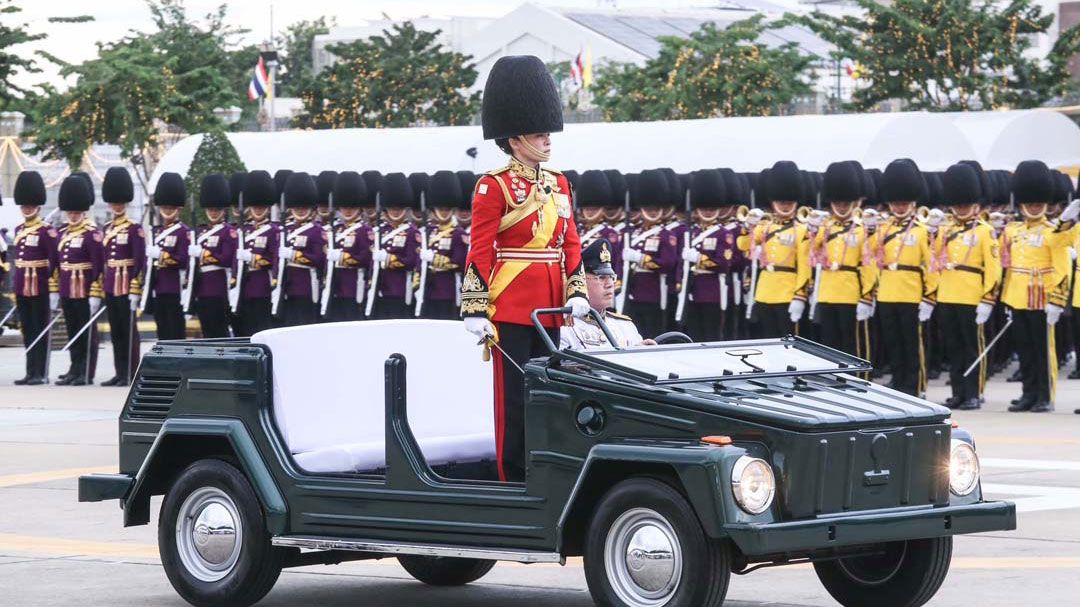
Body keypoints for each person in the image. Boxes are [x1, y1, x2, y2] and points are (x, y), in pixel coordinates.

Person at [460, 55, 589, 482]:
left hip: (550, 304)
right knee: (513, 399)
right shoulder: (492, 185)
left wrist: (577, 291)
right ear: (515, 139)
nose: (547, 140)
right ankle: (512, 476)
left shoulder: (560, 182)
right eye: (538, 133)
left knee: (547, 394)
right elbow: (480, 249)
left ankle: (545, 469)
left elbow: (570, 241)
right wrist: (475, 307)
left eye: (547, 132)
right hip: (510, 305)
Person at [1003, 161, 1078, 412]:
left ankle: (1045, 396)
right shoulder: (1014, 231)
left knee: (1043, 352)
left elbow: (1063, 268)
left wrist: (1057, 300)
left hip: (1042, 299)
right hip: (1018, 298)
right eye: (1030, 202)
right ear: (1022, 203)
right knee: (1024, 350)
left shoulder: (1052, 232)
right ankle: (1028, 392)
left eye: (1039, 203)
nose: (1034, 206)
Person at [933, 163, 1002, 410]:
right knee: (953, 348)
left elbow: (994, 268)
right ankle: (958, 391)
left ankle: (974, 392)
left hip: (972, 297)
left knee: (972, 349)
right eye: (958, 204)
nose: (962, 209)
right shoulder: (945, 230)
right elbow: (934, 260)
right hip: (947, 294)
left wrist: (987, 298)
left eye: (966, 205)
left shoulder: (985, 232)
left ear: (976, 205)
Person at [870, 160, 937, 397]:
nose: (899, 207)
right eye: (895, 203)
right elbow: (872, 260)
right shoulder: (882, 230)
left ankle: (915, 384)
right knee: (894, 342)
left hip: (911, 293)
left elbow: (932, 266)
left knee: (913, 344)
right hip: (887, 291)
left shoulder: (922, 231)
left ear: (913, 203)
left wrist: (929, 296)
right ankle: (899, 381)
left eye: (903, 203)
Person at [809, 161, 877, 358]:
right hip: (828, 291)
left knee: (852, 342)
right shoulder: (824, 228)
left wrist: (866, 296)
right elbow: (811, 254)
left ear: (854, 203)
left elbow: (869, 265)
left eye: (845, 203)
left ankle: (858, 379)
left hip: (851, 292)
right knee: (830, 343)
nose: (841, 207)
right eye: (837, 203)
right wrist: (812, 232)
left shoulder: (863, 228)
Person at [740, 161, 811, 338]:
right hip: (764, 290)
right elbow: (743, 246)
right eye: (781, 201)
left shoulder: (802, 230)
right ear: (772, 202)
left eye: (789, 202)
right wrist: (747, 227)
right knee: (769, 339)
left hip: (788, 292)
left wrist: (800, 295)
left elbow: (804, 265)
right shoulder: (764, 228)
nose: (785, 206)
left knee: (789, 341)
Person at [53, 175, 103, 386]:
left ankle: (86, 371)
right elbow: (57, 263)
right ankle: (74, 368)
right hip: (67, 288)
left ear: (83, 212)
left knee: (86, 333)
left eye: (76, 212)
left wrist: (94, 293)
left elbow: (98, 266)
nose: (73, 216)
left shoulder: (91, 234)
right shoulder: (62, 232)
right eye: (70, 212)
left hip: (84, 289)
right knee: (73, 331)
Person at [561, 238, 655, 349]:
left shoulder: (625, 326)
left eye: (611, 277)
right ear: (580, 282)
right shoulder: (563, 329)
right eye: (601, 278)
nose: (610, 284)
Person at [99, 167, 144, 386]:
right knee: (115, 330)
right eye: (113, 203)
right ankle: (119, 371)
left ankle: (131, 372)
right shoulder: (106, 228)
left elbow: (139, 260)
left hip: (127, 284)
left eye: (119, 203)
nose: (116, 206)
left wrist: (135, 288)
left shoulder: (134, 229)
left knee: (129, 331)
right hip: (111, 283)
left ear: (125, 204)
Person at [11, 171, 57, 385]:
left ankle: (41, 372)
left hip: (39, 287)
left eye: (30, 206)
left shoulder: (46, 232)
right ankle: (30, 371)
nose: (27, 209)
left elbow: (54, 261)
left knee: (40, 330)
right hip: (23, 288)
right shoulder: (19, 230)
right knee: (27, 330)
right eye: (24, 207)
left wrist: (53, 287)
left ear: (37, 207)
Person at [679, 169, 733, 342]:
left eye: (711, 208)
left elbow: (724, 263)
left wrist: (698, 259)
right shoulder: (691, 233)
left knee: (711, 334)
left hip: (712, 291)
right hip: (692, 289)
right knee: (694, 333)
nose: (708, 212)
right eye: (704, 208)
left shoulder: (723, 234)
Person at [623, 169, 678, 339]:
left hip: (653, 292)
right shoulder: (632, 233)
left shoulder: (666, 235)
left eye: (656, 208)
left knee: (653, 334)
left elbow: (668, 263)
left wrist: (640, 259)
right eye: (648, 208)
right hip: (633, 290)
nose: (652, 212)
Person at [144, 173, 190, 341]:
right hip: (159, 287)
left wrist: (162, 256)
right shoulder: (156, 232)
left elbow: (183, 260)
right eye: (164, 208)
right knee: (162, 330)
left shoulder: (183, 232)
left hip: (174, 287)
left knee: (175, 331)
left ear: (178, 209)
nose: (167, 211)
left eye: (171, 208)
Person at [191, 174, 237, 338]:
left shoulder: (228, 232)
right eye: (210, 209)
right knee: (207, 331)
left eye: (217, 209)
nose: (213, 213)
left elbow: (226, 258)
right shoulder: (199, 232)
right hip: (201, 288)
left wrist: (202, 253)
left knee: (220, 331)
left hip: (218, 288)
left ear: (224, 210)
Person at [278, 172, 326, 327]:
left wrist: (293, 255)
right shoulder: (286, 230)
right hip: (287, 285)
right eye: (297, 207)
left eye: (304, 207)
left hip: (306, 286)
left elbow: (318, 259)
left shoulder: (317, 231)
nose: (300, 210)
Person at [236, 170, 281, 337]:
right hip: (245, 287)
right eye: (255, 206)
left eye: (261, 207)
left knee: (262, 328)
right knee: (247, 330)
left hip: (263, 287)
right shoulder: (244, 230)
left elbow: (273, 259)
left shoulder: (274, 231)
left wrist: (252, 259)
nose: (258, 210)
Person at [325, 171, 374, 322]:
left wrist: (339, 257)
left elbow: (365, 258)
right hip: (334, 287)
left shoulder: (364, 231)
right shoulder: (335, 230)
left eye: (352, 207)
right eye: (344, 207)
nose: (347, 210)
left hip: (353, 287)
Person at [419, 171, 468, 320]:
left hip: (447, 290)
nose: (444, 212)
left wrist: (433, 259)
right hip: (428, 289)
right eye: (441, 209)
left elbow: (459, 262)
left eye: (447, 209)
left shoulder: (458, 234)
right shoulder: (428, 232)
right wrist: (416, 285)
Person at [370, 173, 420, 320]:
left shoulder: (412, 232)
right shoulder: (380, 232)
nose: (396, 211)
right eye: (392, 208)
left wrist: (387, 259)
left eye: (399, 208)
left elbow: (411, 261)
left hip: (400, 289)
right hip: (380, 288)